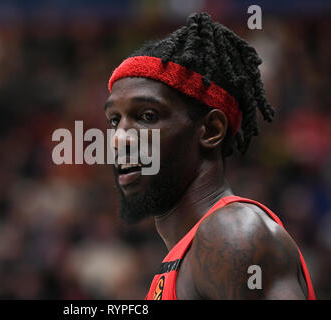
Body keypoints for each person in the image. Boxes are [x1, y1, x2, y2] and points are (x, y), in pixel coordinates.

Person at [104, 12, 315, 299]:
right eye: (115, 120)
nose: (119, 138)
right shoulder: (193, 253)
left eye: (148, 115)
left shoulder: (233, 234)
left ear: (210, 130)